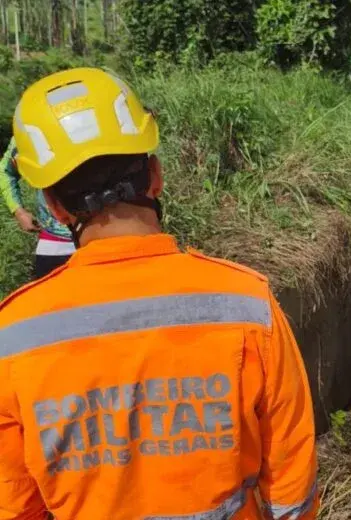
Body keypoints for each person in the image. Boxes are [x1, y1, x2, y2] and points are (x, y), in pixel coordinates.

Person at [0, 68, 318, 519]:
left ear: (53, 206)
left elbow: (15, 506)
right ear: (155, 175)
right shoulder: (248, 306)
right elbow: (293, 484)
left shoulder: (13, 338)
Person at [1, 137, 75, 278]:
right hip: (56, 241)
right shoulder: (33, 126)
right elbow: (6, 171)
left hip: (112, 234)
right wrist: (18, 211)